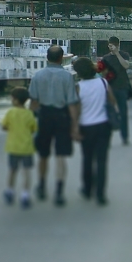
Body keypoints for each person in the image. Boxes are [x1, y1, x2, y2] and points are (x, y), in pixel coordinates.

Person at [29, 46, 80, 206]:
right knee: (60, 155)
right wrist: (75, 125)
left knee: (43, 155)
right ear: (61, 58)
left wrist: (30, 122)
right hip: (62, 116)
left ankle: (42, 186)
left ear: (47, 58)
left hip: (44, 116)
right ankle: (59, 192)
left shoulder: (37, 76)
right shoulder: (67, 77)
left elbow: (33, 102)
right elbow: (72, 103)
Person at [74, 56, 116, 205]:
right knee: (102, 160)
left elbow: (77, 110)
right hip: (103, 125)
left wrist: (74, 128)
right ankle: (100, 194)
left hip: (86, 126)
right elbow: (112, 101)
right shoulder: (103, 83)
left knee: (87, 159)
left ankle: (87, 189)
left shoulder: (78, 87)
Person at [2, 87, 37, 208]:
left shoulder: (10, 113)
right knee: (26, 171)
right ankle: (25, 195)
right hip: (27, 147)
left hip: (13, 147)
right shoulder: (29, 113)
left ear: (16, 100)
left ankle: (10, 191)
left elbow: (4, 126)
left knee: (12, 170)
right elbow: (33, 128)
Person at [100, 37, 132, 145]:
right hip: (110, 88)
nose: (111, 47)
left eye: (113, 45)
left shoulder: (124, 55)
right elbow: (102, 72)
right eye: (109, 45)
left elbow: (126, 65)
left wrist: (117, 53)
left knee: (123, 113)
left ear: (118, 45)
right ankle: (107, 137)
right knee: (108, 113)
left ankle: (124, 136)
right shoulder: (105, 58)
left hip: (122, 87)